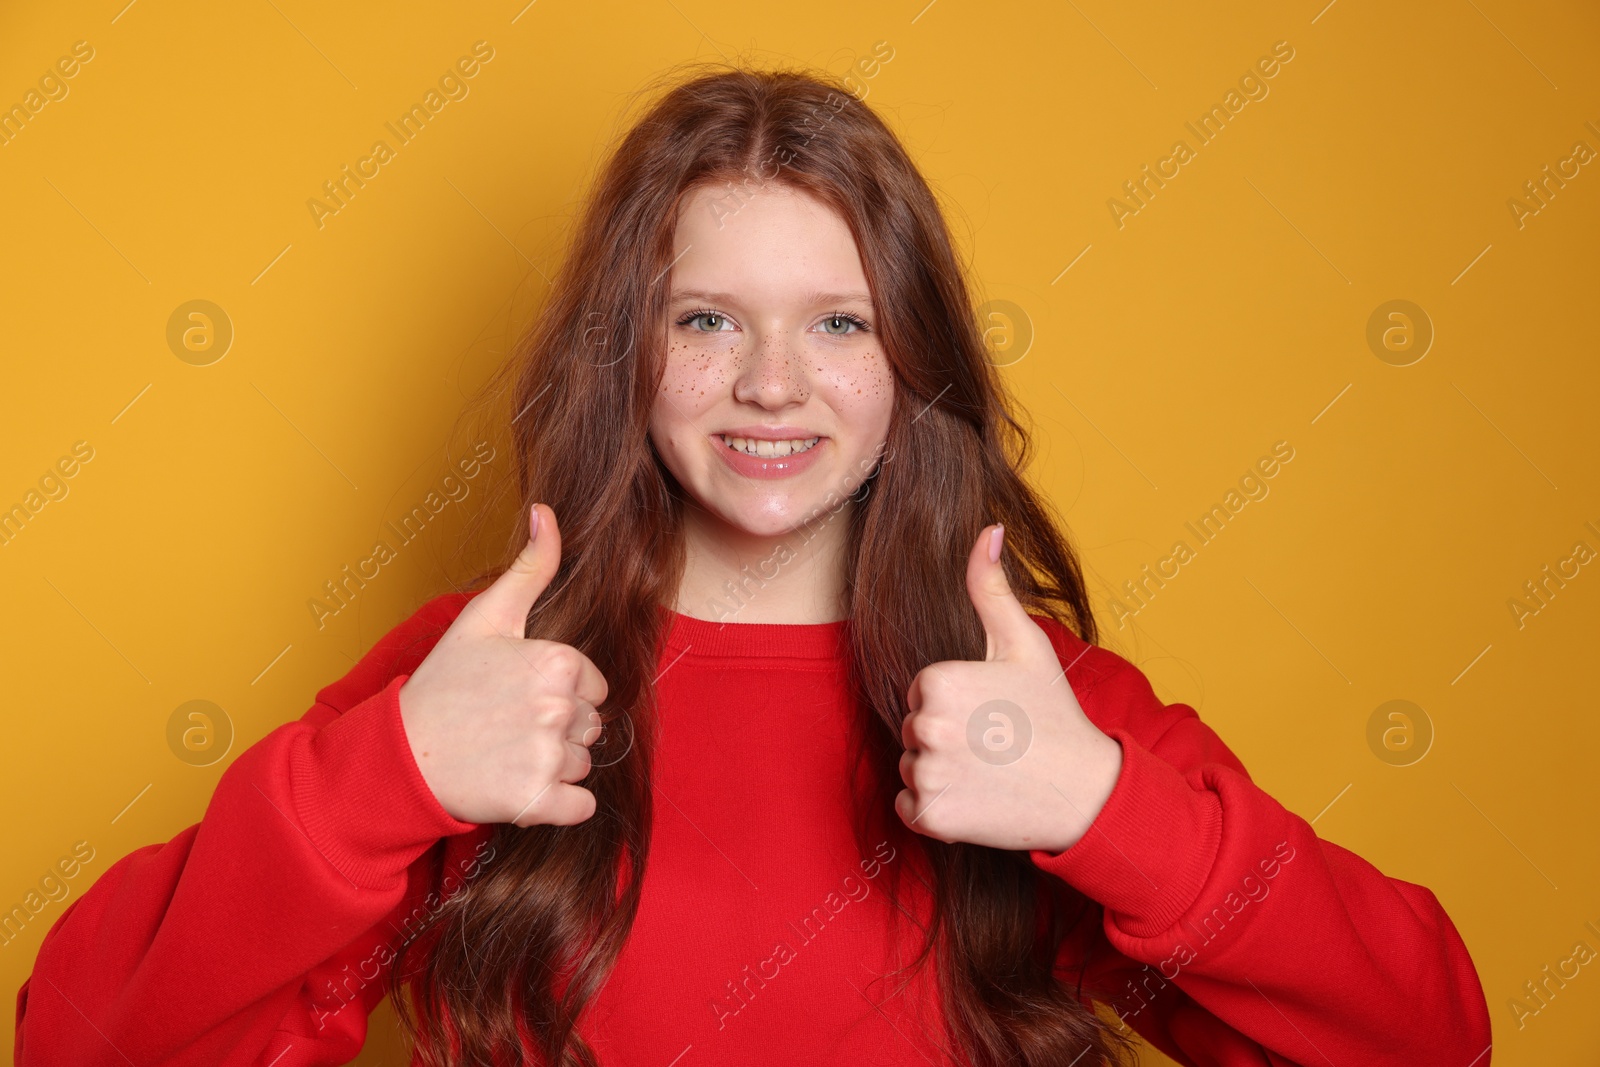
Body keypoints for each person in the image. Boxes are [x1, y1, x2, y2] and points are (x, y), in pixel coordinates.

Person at [13, 64, 1490, 1067]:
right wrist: (387, 770)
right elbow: (74, 1034)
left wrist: (1109, 808)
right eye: (707, 319)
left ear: (913, 360)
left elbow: (1432, 1034)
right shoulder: (481, 692)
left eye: (838, 323)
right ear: (629, 357)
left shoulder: (1028, 707)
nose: (771, 382)